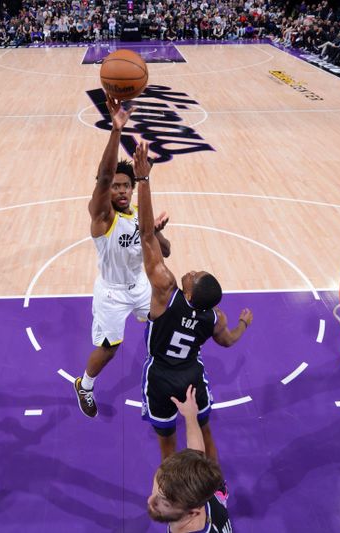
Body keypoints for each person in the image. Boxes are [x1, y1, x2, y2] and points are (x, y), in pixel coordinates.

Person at [134, 139, 253, 461]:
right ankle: (217, 490)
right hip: (191, 377)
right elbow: (227, 342)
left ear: (188, 293)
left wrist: (143, 180)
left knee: (167, 446)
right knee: (204, 434)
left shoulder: (165, 292)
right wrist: (243, 322)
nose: (192, 271)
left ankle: (173, 492)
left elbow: (145, 236)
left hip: (160, 376)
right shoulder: (215, 317)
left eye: (194, 275)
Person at [73, 96, 172, 418]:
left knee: (163, 326)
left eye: (125, 186)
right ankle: (84, 385)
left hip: (140, 286)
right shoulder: (102, 217)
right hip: (112, 292)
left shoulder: (136, 215)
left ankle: (163, 378)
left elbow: (165, 252)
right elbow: (103, 177)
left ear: (132, 189)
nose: (120, 191)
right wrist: (116, 130)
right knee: (110, 348)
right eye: (114, 186)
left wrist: (154, 233)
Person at [147, 384, 232, 532]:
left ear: (193, 512)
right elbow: (196, 450)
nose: (150, 501)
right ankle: (220, 496)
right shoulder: (193, 493)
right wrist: (190, 415)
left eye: (166, 504)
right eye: (156, 492)